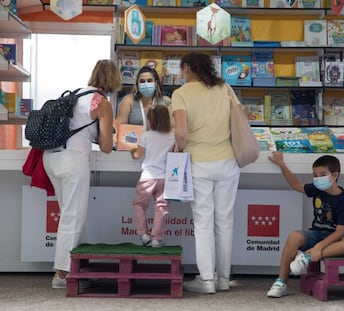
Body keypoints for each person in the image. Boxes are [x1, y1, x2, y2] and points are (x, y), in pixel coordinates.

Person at [43, 59, 121, 289]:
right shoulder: (102, 102)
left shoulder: (75, 94)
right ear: (113, 80)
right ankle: (62, 274)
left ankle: (73, 268)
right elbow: (107, 146)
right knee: (73, 217)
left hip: (51, 157)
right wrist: (105, 134)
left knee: (69, 214)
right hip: (73, 160)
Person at [171, 52, 240, 294]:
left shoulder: (181, 94)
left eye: (182, 68)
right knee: (225, 221)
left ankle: (207, 280)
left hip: (199, 163)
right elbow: (239, 118)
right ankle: (223, 278)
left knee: (203, 222)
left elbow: (180, 134)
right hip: (228, 161)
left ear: (188, 67)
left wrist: (179, 147)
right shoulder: (224, 88)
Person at [266, 152, 344, 298]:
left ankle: (306, 257)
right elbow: (296, 185)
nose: (318, 179)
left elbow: (340, 232)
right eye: (315, 175)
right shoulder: (317, 189)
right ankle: (281, 282)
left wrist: (319, 247)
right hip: (317, 233)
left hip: (335, 240)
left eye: (322, 174)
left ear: (335, 175)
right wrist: (281, 164)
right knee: (294, 236)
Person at [130, 105, 175, 247]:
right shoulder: (172, 137)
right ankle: (156, 239)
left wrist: (132, 150)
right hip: (165, 178)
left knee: (139, 205)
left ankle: (143, 234)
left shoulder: (146, 136)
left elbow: (137, 155)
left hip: (147, 177)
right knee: (161, 207)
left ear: (151, 120)